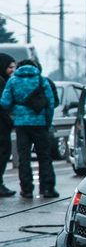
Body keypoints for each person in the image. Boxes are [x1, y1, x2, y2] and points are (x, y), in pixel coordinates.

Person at [0, 59, 58, 198]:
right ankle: (48, 188)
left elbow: (4, 102)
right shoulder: (42, 80)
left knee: (24, 158)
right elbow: (51, 103)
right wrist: (47, 121)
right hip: (40, 124)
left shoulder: (13, 81)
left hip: (21, 125)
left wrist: (16, 112)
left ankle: (26, 189)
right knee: (44, 156)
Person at [0, 54, 15, 197]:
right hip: (2, 126)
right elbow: (3, 105)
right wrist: (11, 122)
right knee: (3, 153)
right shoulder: (1, 82)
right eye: (10, 67)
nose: (12, 70)